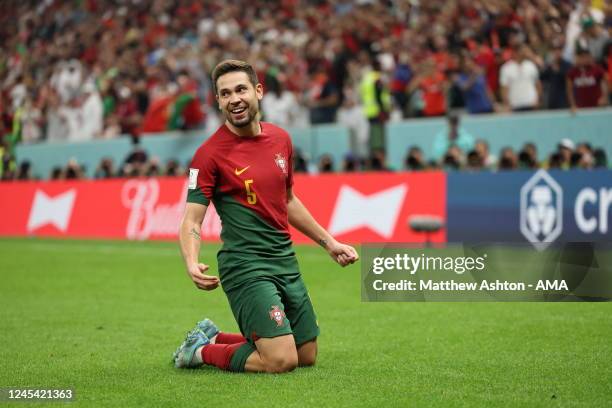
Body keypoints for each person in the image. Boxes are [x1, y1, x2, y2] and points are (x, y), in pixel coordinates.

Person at [173, 60, 359, 373]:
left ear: (258, 91)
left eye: (241, 89)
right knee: (281, 360)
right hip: (245, 265)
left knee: (306, 354)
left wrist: (330, 243)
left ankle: (215, 336)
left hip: (284, 259)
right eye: (225, 93)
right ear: (218, 101)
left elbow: (288, 201)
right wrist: (192, 261)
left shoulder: (281, 140)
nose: (234, 99)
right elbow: (191, 220)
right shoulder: (208, 154)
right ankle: (201, 351)